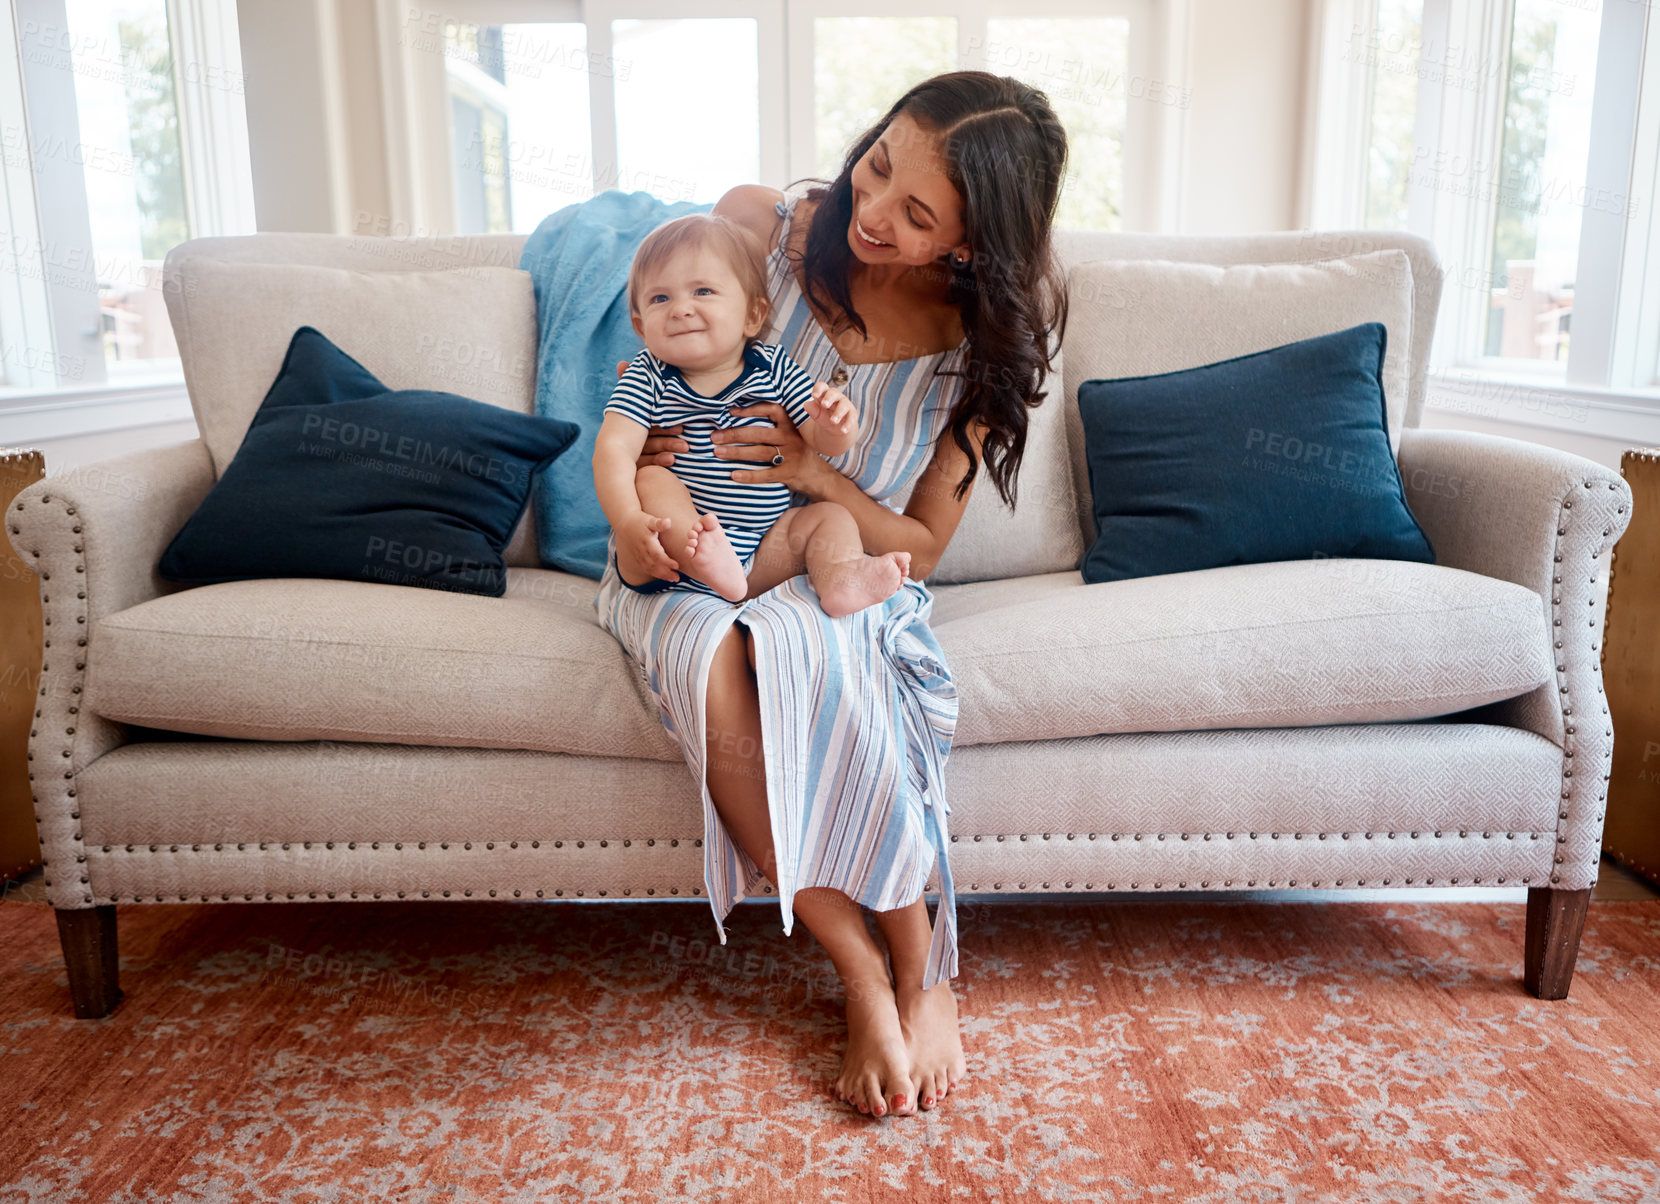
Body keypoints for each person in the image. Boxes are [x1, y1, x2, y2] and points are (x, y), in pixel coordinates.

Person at [594, 71, 1068, 1118]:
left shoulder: (983, 352)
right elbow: (664, 359)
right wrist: (656, 464)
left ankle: (924, 966)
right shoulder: (760, 230)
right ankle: (861, 973)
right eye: (879, 163)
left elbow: (921, 546)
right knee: (710, 652)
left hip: (828, 557)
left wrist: (816, 477)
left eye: (915, 214)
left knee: (814, 643)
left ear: (969, 244)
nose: (873, 210)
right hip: (694, 548)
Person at [592, 213, 914, 616]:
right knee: (652, 478)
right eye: (660, 298)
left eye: (703, 291)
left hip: (758, 559)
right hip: (667, 557)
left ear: (752, 316)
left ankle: (840, 578)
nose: (680, 309)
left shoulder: (773, 366)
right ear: (641, 327)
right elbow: (614, 448)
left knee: (828, 517)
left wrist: (836, 424)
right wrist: (628, 521)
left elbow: (820, 440)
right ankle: (705, 562)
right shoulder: (649, 374)